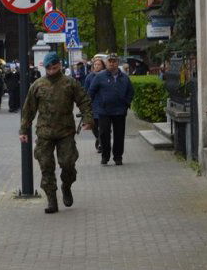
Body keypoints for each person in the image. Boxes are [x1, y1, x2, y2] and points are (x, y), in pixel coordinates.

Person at [20, 52, 93, 214]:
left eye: (54, 67)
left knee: (67, 163)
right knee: (46, 166)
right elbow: (28, 110)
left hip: (65, 131)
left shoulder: (69, 83)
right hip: (45, 132)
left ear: (59, 65)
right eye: (49, 68)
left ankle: (66, 186)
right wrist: (24, 130)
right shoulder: (38, 85)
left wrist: (88, 118)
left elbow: (83, 100)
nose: (52, 71)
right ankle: (51, 200)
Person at [88, 53, 135, 165]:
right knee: (104, 134)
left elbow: (131, 91)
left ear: (117, 63)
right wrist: (92, 107)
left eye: (114, 61)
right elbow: (91, 92)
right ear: (106, 63)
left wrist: (126, 103)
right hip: (104, 111)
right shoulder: (100, 77)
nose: (112, 64)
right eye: (110, 61)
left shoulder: (124, 77)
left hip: (120, 111)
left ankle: (118, 157)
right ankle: (105, 156)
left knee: (119, 135)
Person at [83, 57, 106, 153]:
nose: (96, 66)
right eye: (95, 65)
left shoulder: (106, 75)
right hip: (93, 104)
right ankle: (99, 139)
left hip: (103, 104)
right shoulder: (89, 77)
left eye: (98, 64)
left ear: (103, 66)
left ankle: (101, 143)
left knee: (103, 126)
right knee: (94, 126)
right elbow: (86, 90)